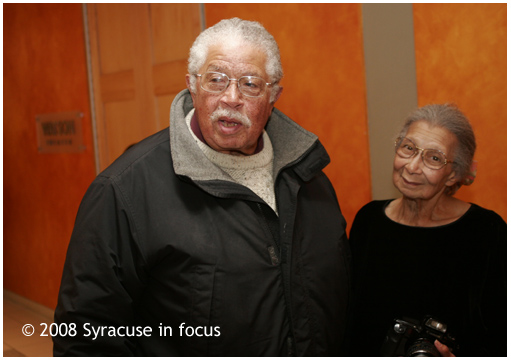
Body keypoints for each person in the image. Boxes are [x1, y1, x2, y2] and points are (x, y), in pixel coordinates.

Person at [53, 18, 350, 356]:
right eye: (216, 80)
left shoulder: (309, 175)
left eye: (250, 84)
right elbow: (86, 332)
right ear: (192, 86)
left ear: (273, 95)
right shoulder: (125, 190)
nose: (232, 97)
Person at [348, 104, 506, 356]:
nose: (412, 166)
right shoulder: (369, 221)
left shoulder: (486, 231)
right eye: (408, 148)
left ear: (453, 174)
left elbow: (501, 331)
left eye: (434, 158)